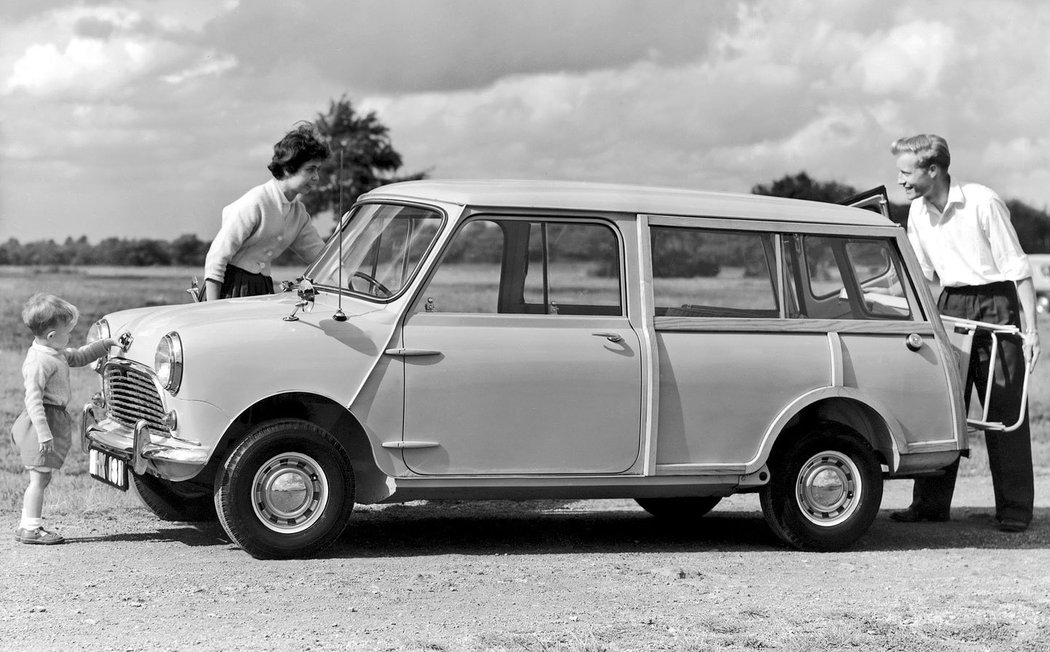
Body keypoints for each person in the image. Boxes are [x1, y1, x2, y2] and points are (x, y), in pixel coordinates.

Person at [890, 134, 1040, 533]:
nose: (901, 180)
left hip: (997, 305)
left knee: (1004, 411)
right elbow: (922, 274)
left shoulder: (982, 202)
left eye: (906, 172)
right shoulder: (918, 212)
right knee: (945, 407)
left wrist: (1032, 330)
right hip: (951, 305)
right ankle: (929, 505)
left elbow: (1017, 268)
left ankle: (1014, 510)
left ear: (933, 169)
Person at [11, 294, 118, 545]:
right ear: (51, 335)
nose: (69, 337)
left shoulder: (54, 352)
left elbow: (80, 356)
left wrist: (105, 345)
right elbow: (33, 400)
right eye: (66, 333)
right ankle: (31, 529)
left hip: (51, 418)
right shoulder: (40, 361)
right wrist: (44, 433)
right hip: (41, 421)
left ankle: (27, 525)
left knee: (42, 477)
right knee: (38, 479)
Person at [203, 123, 331, 300]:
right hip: (228, 290)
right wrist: (210, 311)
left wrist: (351, 284)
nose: (316, 177)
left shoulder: (298, 214)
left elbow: (323, 259)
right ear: (288, 168)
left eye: (318, 169)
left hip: (261, 288)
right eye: (310, 169)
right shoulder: (256, 202)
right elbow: (217, 258)